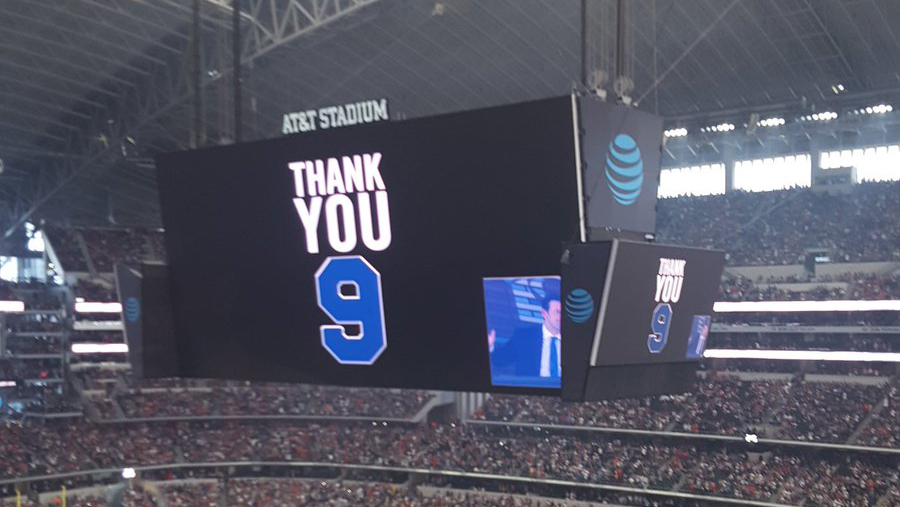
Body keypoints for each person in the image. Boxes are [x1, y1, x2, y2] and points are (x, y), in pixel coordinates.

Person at [488, 289, 562, 380]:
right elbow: (500, 360)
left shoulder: (575, 341)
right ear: (544, 313)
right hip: (532, 391)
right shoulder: (524, 337)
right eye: (557, 312)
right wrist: (490, 346)